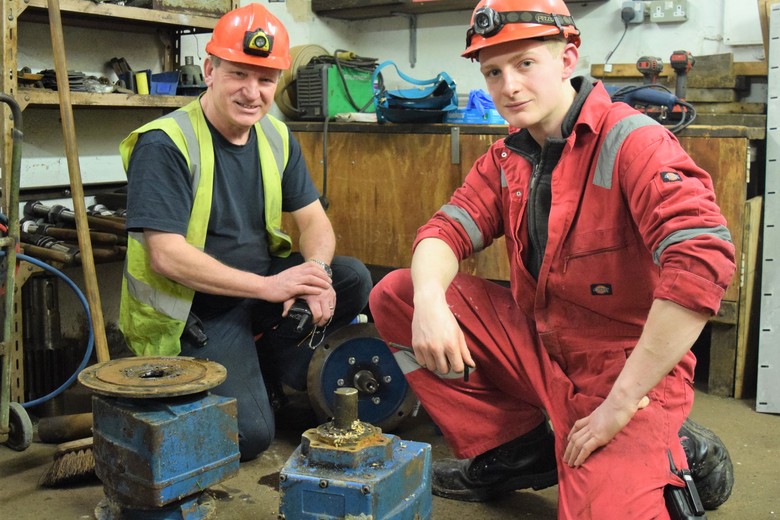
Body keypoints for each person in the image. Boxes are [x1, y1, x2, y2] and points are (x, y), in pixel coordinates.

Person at [369, 0, 735, 517]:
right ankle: (516, 450)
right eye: (493, 72)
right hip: (540, 344)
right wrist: (429, 301)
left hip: (622, 369)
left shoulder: (634, 142)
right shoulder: (508, 157)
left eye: (525, 64)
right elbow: (444, 230)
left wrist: (621, 404)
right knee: (398, 294)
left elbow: (701, 261)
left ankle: (675, 449)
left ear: (567, 59)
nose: (508, 86)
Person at [118, 3, 372, 462]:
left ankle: (265, 372)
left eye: (265, 79)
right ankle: (250, 382)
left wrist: (313, 273)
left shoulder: (275, 135)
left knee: (350, 276)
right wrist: (271, 286)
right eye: (239, 74)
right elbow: (166, 256)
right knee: (249, 437)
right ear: (210, 69)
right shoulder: (165, 144)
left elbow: (315, 221)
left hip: (258, 294)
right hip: (195, 311)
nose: (252, 92)